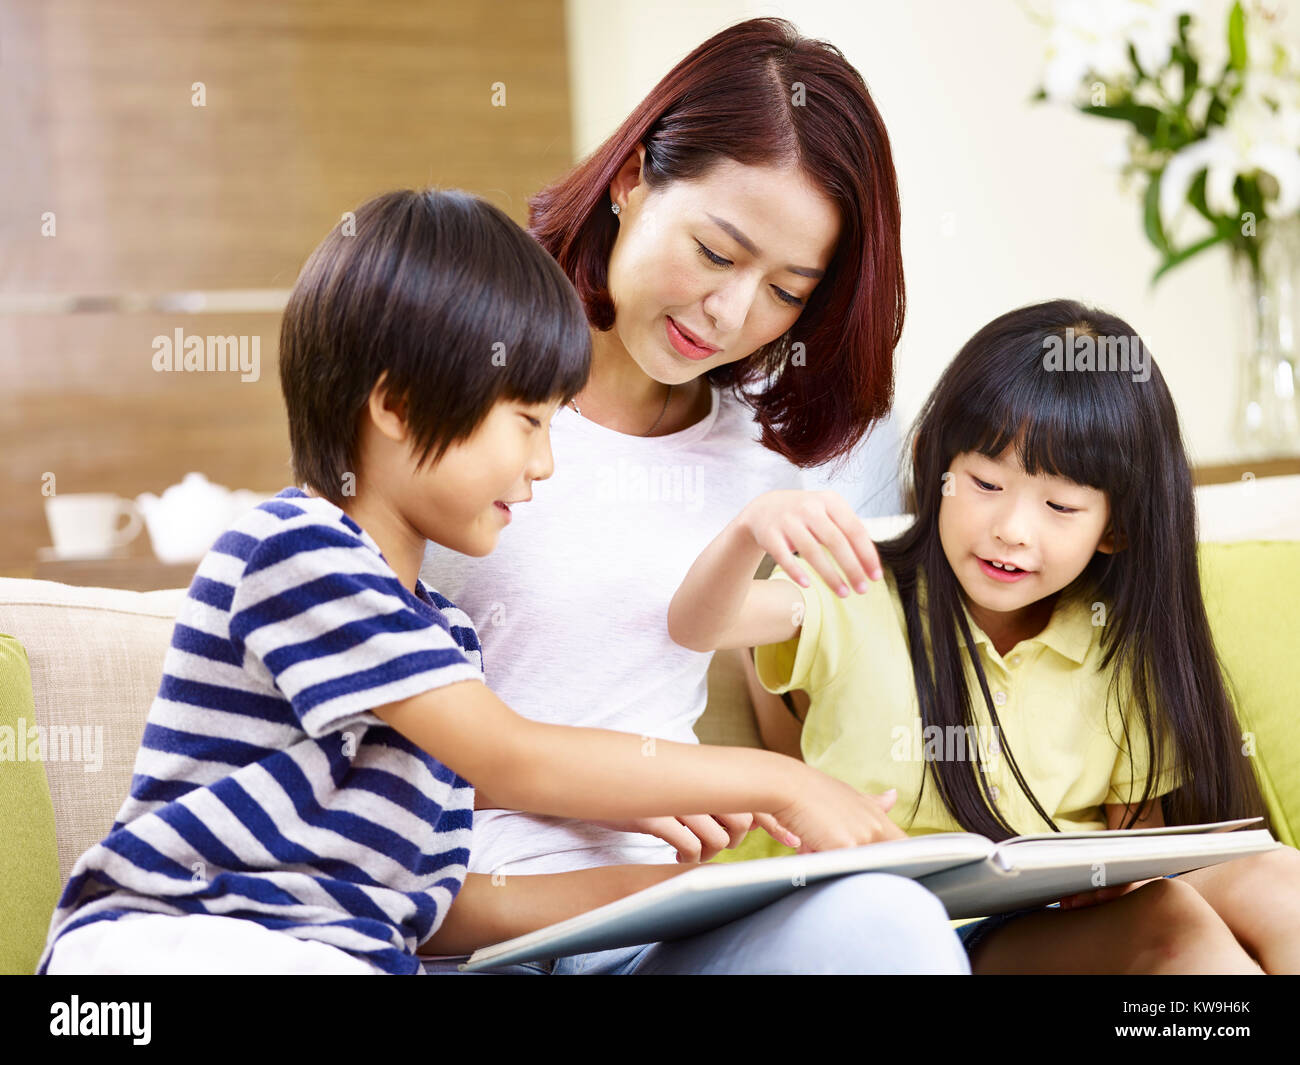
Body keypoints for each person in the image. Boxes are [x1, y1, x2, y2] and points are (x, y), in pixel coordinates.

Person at [36, 187, 931, 977]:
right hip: (168, 949)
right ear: (395, 404)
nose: (544, 464)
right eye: (527, 422)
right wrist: (781, 785)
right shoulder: (297, 552)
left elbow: (453, 893)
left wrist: (692, 887)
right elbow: (514, 755)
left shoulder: (438, 641)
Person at [415, 17, 964, 975]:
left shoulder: (760, 461)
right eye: (715, 253)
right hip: (477, 911)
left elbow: (801, 697)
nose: (732, 313)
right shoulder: (465, 384)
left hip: (651, 930)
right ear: (632, 179)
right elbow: (347, 711)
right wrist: (639, 782)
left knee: (893, 928)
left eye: (788, 290)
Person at [668, 298, 1300, 974]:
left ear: (1114, 527)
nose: (1013, 529)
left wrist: (1120, 880)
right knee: (1176, 927)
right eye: (986, 482)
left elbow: (1135, 848)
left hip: (1054, 924)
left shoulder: (1116, 646)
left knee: (1276, 882)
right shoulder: (854, 594)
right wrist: (747, 530)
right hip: (903, 929)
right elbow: (699, 624)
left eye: (1060, 506)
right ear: (935, 467)